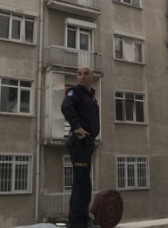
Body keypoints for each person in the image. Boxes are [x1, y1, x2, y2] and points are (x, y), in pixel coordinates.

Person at [61, 66, 100, 228]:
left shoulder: (91, 97)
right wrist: (76, 126)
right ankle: (78, 223)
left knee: (84, 183)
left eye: (86, 74)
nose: (82, 77)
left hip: (87, 143)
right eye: (79, 74)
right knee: (81, 183)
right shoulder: (75, 92)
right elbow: (66, 107)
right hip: (79, 142)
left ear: (91, 77)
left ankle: (79, 220)